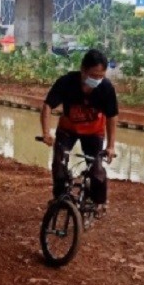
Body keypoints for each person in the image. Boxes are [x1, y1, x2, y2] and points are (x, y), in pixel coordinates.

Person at [40, 48, 118, 217]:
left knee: (96, 169)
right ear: (83, 69)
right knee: (59, 164)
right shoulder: (67, 82)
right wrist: (46, 133)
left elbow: (112, 117)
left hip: (94, 132)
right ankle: (59, 198)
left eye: (101, 76)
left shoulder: (106, 88)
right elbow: (47, 106)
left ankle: (99, 202)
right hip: (68, 130)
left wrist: (111, 146)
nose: (97, 80)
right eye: (93, 75)